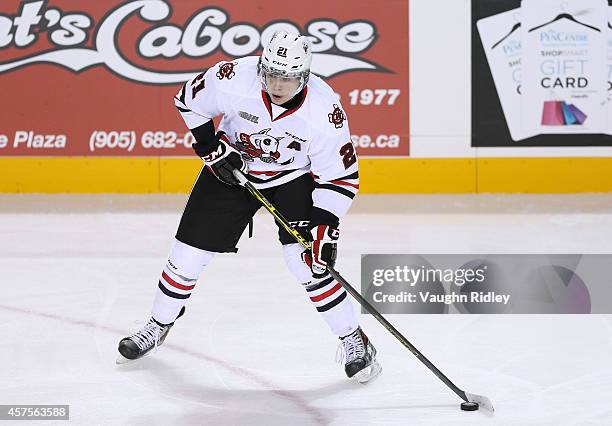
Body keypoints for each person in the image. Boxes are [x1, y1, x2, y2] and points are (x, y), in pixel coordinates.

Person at [117, 31, 381, 383]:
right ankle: (157, 324)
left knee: (309, 264)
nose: (277, 83)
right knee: (187, 256)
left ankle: (354, 338)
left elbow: (340, 177)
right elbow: (188, 101)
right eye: (271, 72)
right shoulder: (233, 77)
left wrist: (324, 226)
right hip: (233, 169)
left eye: (287, 77)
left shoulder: (324, 112)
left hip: (293, 178)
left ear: (304, 76)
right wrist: (211, 147)